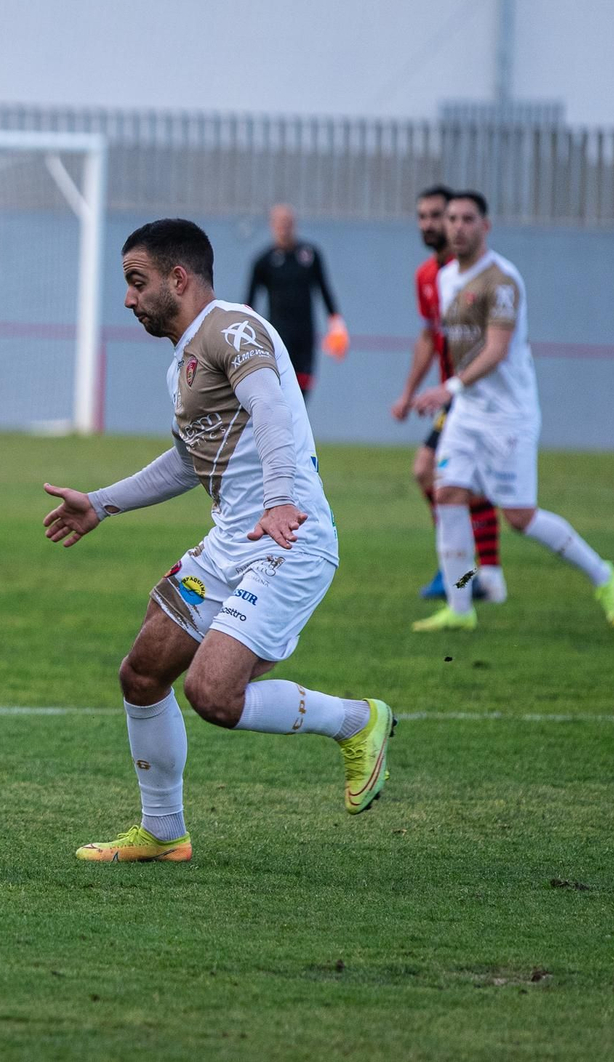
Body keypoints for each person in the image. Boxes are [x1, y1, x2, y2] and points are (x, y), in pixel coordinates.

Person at [43, 218, 393, 865]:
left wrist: (283, 495)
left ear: (179, 279)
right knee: (143, 673)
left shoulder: (232, 328)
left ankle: (357, 721)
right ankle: (163, 832)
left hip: (287, 542)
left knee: (213, 695)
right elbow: (187, 462)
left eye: (136, 281)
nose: (128, 298)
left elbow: (272, 408)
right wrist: (101, 504)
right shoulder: (185, 362)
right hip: (231, 545)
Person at [410, 193, 614, 631]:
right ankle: (460, 609)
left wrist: (446, 388)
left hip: (509, 415)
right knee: (447, 491)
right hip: (468, 412)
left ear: (485, 226)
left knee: (520, 517)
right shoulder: (447, 277)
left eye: (467, 219)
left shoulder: (502, 280)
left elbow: (497, 349)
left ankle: (604, 575)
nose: (457, 226)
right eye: (452, 218)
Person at [391, 185, 506, 604]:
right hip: (452, 394)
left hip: (477, 393)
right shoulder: (428, 277)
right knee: (440, 478)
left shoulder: (477, 277)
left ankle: (471, 570)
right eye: (422, 216)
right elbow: (428, 336)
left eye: (437, 215)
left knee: (439, 475)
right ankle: (472, 572)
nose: (430, 224)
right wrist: (409, 392)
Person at [246, 203, 345, 397]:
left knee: (303, 384)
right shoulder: (263, 261)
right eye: (279, 223)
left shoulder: (310, 255)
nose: (284, 227)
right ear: (272, 225)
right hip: (279, 333)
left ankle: (298, 424)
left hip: (305, 332)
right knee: (281, 384)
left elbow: (324, 289)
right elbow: (250, 301)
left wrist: (336, 322)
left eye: (288, 222)